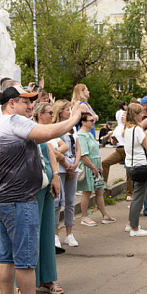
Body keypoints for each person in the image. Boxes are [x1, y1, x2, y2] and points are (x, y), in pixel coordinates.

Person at [0, 85, 82, 294]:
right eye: (24, 101)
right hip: (20, 202)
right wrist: (74, 118)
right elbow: (49, 131)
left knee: (6, 256)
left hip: (4, 201)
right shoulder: (15, 121)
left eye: (31, 101)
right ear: (10, 104)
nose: (30, 105)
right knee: (26, 259)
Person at [32, 102, 64, 294]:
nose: (52, 115)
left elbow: (51, 152)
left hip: (48, 184)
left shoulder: (45, 132)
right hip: (32, 186)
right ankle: (28, 282)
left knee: (47, 231)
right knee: (32, 233)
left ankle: (47, 278)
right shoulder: (28, 128)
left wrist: (56, 175)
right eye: (49, 112)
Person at [124, 103, 147, 237]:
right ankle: (134, 228)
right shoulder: (137, 130)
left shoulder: (128, 129)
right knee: (138, 198)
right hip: (140, 166)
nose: (143, 115)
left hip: (131, 166)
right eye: (141, 113)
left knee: (135, 197)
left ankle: (130, 223)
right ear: (136, 115)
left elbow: (143, 136)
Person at [51, 100, 81, 248]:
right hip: (60, 169)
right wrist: (66, 165)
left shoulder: (73, 128)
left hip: (72, 168)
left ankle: (69, 233)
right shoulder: (55, 127)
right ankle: (55, 235)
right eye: (67, 109)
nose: (70, 112)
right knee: (57, 202)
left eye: (70, 109)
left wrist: (75, 164)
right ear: (60, 111)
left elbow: (78, 148)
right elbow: (55, 151)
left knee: (70, 201)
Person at [77, 113, 115, 226]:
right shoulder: (81, 136)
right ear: (83, 122)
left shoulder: (89, 135)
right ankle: (84, 216)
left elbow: (95, 152)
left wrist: (100, 165)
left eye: (93, 120)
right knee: (87, 192)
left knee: (100, 191)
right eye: (91, 120)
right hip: (89, 167)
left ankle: (105, 215)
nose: (93, 122)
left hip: (95, 166)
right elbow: (83, 155)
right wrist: (93, 167)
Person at [101, 109, 133, 202]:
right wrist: (113, 141)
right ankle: (104, 183)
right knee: (105, 162)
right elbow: (113, 141)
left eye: (125, 115)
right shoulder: (118, 128)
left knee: (129, 172)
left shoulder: (130, 127)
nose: (123, 117)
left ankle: (129, 193)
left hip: (128, 151)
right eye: (122, 115)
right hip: (119, 150)